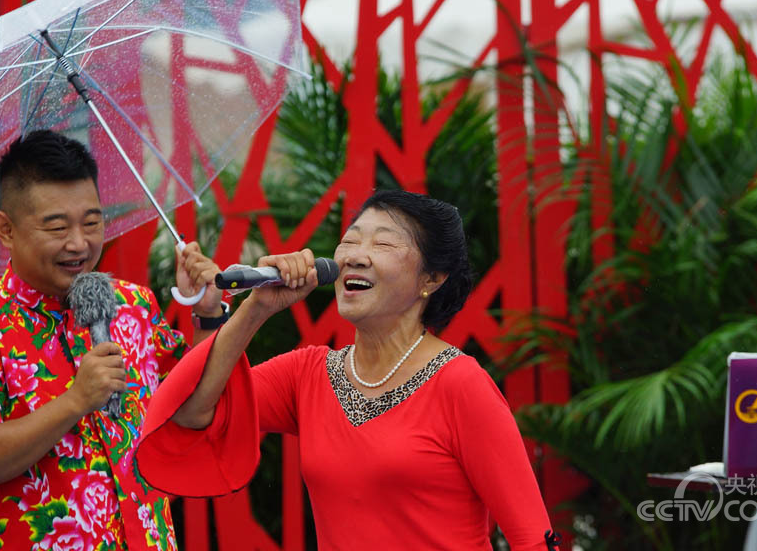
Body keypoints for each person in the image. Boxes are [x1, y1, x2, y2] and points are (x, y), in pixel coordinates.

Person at [136, 190, 555, 550]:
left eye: (384, 245)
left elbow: (533, 537)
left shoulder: (461, 384)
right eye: (350, 241)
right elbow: (192, 413)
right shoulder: (308, 373)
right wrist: (254, 308)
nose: (356, 256)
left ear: (431, 278)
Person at [0, 129, 227, 551]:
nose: (79, 244)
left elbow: (192, 407)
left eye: (92, 222)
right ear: (6, 229)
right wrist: (74, 401)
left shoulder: (133, 304)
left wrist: (208, 312)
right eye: (56, 227)